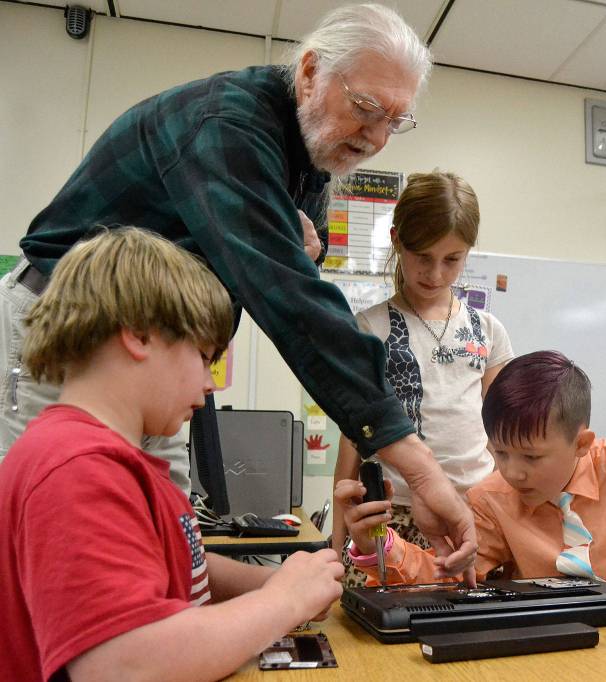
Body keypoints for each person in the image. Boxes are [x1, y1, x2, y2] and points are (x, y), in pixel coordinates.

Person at [0, 3, 476, 577]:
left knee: (170, 536)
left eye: (394, 122)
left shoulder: (311, 160)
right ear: (308, 73)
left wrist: (282, 592)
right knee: (60, 548)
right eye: (366, 108)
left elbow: (300, 261)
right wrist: (420, 469)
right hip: (69, 337)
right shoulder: (227, 124)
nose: (376, 137)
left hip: (158, 358)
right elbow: (291, 294)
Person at [0, 228, 344, 681]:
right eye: (203, 356)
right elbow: (121, 666)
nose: (209, 382)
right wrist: (283, 602)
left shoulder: (113, 460)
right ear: (139, 335)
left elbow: (180, 562)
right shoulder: (77, 470)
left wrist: (275, 583)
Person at [337, 351, 606, 593]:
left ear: (582, 444)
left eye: (532, 457)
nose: (513, 472)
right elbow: (450, 576)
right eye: (500, 453)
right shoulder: (490, 499)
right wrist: (380, 543)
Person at [331, 171, 513, 588]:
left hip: (475, 515)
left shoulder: (488, 330)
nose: (435, 273)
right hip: (392, 517)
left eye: (452, 259)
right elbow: (351, 447)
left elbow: (502, 440)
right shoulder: (368, 328)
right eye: (422, 257)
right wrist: (334, 553)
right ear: (397, 240)